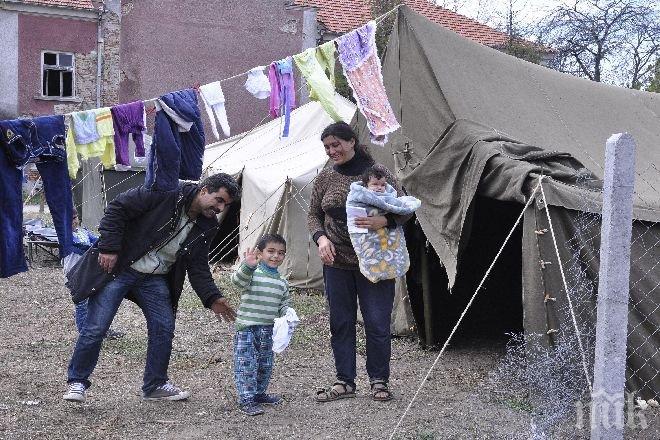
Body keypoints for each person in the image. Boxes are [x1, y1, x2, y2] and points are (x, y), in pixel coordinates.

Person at [62, 173, 240, 403]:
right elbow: (117, 208)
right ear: (204, 189)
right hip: (123, 266)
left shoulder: (207, 226)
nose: (219, 207)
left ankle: (154, 384)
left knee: (164, 327)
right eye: (218, 200)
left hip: (154, 277)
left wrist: (212, 297)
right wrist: (109, 247)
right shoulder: (166, 191)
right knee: (96, 326)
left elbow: (198, 266)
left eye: (224, 204)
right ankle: (77, 382)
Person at [308, 122, 412, 403]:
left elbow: (405, 209)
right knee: (340, 322)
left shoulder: (378, 173)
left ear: (352, 141)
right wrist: (321, 239)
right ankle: (344, 381)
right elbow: (313, 215)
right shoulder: (325, 177)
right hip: (337, 262)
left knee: (377, 323)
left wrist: (385, 220)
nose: (332, 151)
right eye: (327, 147)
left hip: (376, 263)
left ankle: (379, 381)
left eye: (336, 144)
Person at [231, 234, 290, 416]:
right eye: (270, 251)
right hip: (247, 328)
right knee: (246, 364)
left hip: (268, 330)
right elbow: (236, 282)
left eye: (281, 253)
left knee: (265, 364)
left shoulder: (282, 282)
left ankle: (258, 393)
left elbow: (283, 305)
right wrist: (247, 266)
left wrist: (288, 315)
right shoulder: (252, 273)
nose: (275, 256)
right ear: (260, 253)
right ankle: (246, 399)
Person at [346, 164, 420, 283]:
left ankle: (387, 269)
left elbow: (404, 209)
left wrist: (386, 220)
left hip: (386, 237)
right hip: (361, 245)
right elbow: (354, 216)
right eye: (375, 184)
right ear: (365, 185)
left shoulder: (390, 195)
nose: (379, 188)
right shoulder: (357, 196)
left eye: (382, 185)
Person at [64, 208, 125, 338]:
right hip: (75, 275)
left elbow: (97, 240)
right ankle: (84, 335)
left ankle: (102, 330)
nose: (73, 222)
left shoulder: (83, 232)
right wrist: (103, 248)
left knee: (99, 301)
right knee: (82, 304)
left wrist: (109, 241)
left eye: (74, 218)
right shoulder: (64, 236)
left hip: (90, 272)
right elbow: (82, 248)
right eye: (69, 220)